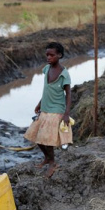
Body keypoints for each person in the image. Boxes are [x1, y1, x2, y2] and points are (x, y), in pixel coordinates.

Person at [24, 42, 72, 178]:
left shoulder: (64, 74)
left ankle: (52, 163)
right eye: (47, 55)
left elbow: (68, 94)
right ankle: (47, 158)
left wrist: (66, 114)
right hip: (45, 108)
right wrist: (39, 103)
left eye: (52, 55)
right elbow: (47, 90)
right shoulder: (46, 69)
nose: (49, 57)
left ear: (59, 55)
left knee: (47, 139)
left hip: (56, 110)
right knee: (37, 136)